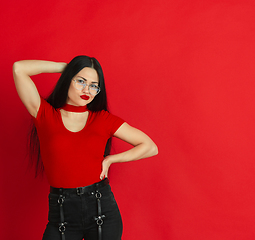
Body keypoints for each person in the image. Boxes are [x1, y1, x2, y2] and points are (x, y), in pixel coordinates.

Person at [13, 56, 158, 240]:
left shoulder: (103, 120)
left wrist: (111, 159)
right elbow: (19, 69)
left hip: (102, 211)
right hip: (62, 214)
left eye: (93, 85)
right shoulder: (45, 115)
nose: (86, 90)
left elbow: (150, 147)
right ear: (68, 79)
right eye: (81, 81)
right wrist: (65, 68)